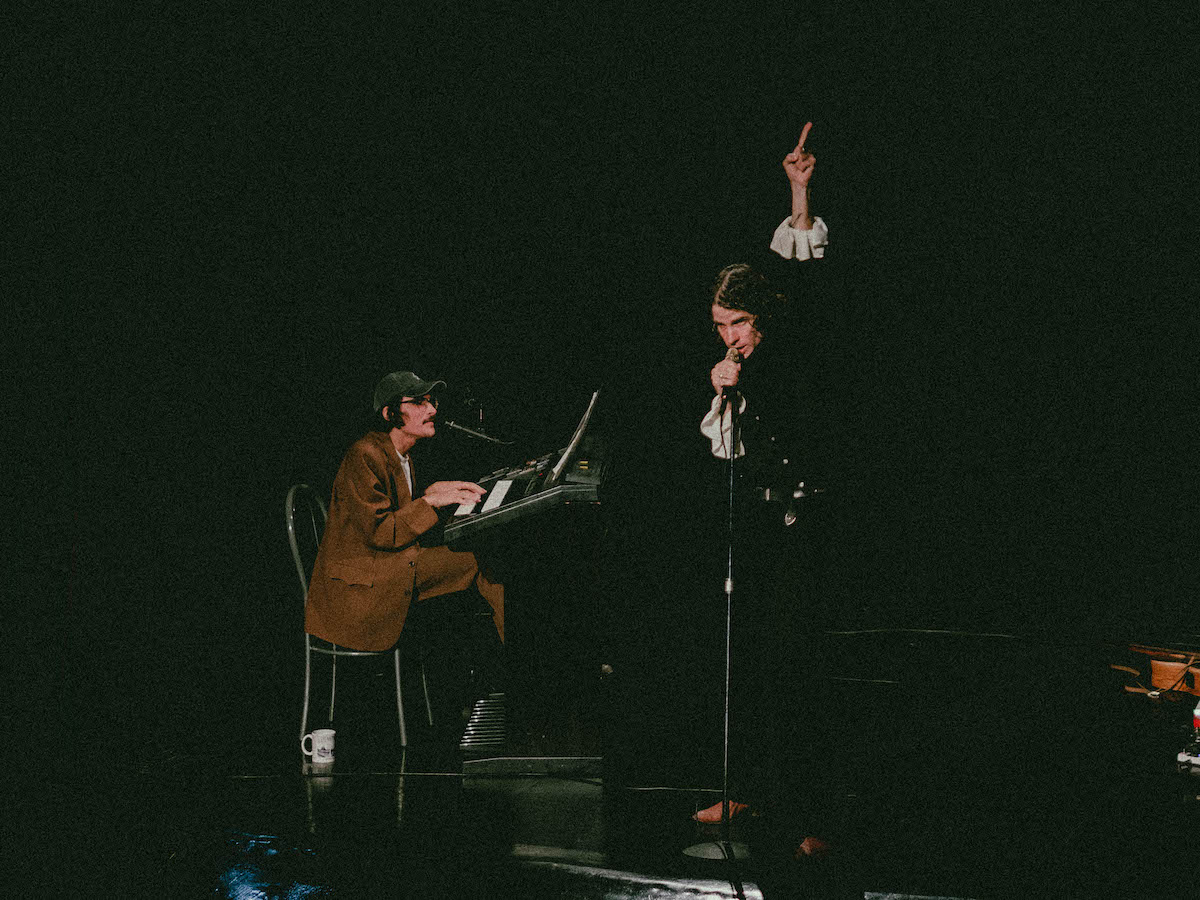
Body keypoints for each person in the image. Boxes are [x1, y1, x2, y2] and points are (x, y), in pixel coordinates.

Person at [691, 126, 839, 863]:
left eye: (738, 323)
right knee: (746, 659)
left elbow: (801, 278)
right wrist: (724, 389)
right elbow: (725, 445)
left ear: (762, 317)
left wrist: (798, 192)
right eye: (721, 326)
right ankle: (747, 786)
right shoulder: (738, 370)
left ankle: (812, 810)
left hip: (807, 521)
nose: (729, 336)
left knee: (797, 669)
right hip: (757, 521)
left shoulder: (795, 345)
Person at [304, 370, 504, 657]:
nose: (433, 409)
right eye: (420, 402)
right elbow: (382, 531)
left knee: (483, 552)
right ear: (390, 413)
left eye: (432, 401)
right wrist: (430, 502)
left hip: (385, 567)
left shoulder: (399, 454)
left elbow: (395, 509)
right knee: (481, 559)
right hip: (360, 591)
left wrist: (431, 492)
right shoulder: (364, 454)